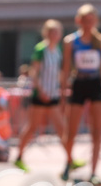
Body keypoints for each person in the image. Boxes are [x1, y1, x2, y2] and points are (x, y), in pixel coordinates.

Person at [60, 4, 101, 184]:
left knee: (96, 131)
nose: (88, 24)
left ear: (95, 21)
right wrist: (63, 91)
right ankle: (68, 161)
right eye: (85, 20)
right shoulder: (70, 42)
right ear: (78, 21)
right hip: (78, 83)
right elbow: (66, 67)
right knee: (71, 130)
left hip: (95, 83)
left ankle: (94, 171)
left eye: (91, 20)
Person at [15, 19, 69, 172]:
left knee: (61, 127)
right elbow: (34, 72)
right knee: (32, 127)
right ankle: (19, 156)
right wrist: (41, 90)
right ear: (46, 33)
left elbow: (59, 73)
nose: (54, 35)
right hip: (41, 94)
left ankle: (70, 159)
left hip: (53, 94)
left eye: (57, 32)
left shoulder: (58, 50)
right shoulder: (41, 49)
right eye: (51, 32)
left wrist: (62, 88)